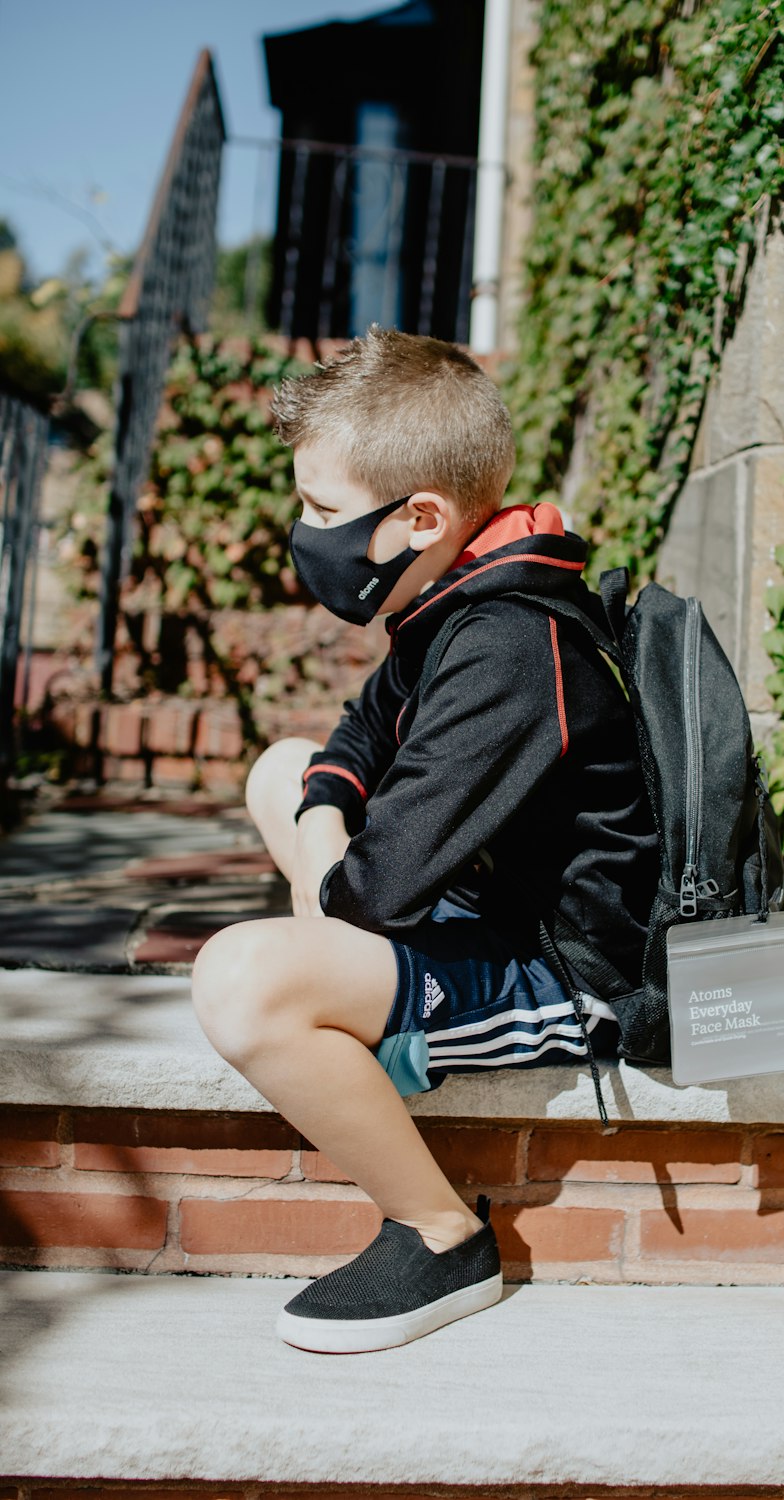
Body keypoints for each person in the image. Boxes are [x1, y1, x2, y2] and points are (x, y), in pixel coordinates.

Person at [191, 327, 657, 1354]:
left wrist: (327, 908)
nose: (302, 528)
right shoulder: (455, 593)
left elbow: (372, 893)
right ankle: (349, 1017)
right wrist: (323, 825)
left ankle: (442, 1234)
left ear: (420, 518)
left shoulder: (510, 646)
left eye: (321, 510)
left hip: (557, 973)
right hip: (468, 904)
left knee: (241, 980)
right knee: (285, 769)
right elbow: (356, 736)